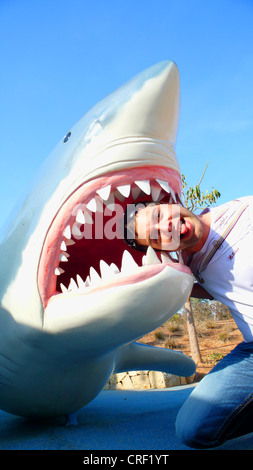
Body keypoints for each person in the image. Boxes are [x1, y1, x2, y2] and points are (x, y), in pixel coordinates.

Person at [123, 196, 253, 448]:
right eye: (155, 237)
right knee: (193, 428)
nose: (166, 228)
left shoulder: (245, 211)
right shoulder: (190, 266)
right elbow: (213, 287)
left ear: (169, 202)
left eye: (159, 216)